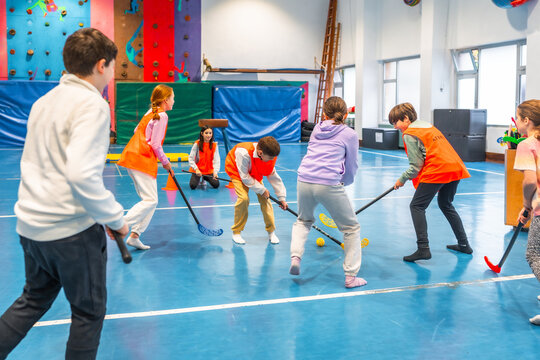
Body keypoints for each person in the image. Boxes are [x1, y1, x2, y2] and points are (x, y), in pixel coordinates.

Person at [0, 28, 128, 360]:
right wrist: (115, 217)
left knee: (33, 299)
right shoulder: (92, 105)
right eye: (113, 66)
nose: (112, 73)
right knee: (88, 313)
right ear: (102, 65)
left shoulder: (45, 102)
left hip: (30, 227)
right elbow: (82, 174)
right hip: (70, 234)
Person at [289, 96, 366, 288]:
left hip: (304, 178)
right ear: (346, 114)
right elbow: (352, 164)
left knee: (303, 221)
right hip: (328, 183)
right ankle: (350, 276)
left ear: (324, 113)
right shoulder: (349, 134)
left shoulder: (317, 128)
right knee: (350, 228)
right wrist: (344, 182)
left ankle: (296, 258)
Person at [390, 102, 472, 262]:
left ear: (405, 118)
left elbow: (415, 166)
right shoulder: (427, 126)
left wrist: (401, 180)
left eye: (395, 122)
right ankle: (464, 244)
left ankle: (423, 249)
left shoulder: (410, 133)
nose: (395, 127)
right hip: (454, 166)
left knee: (417, 206)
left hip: (438, 168)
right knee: (446, 204)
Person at [117, 84, 175, 250]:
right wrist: (166, 162)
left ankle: (135, 236)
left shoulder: (150, 113)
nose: (174, 101)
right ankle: (120, 225)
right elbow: (156, 144)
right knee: (150, 200)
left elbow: (137, 130)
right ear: (165, 100)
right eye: (172, 98)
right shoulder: (162, 116)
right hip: (141, 160)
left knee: (151, 200)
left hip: (133, 156)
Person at [224, 136, 288, 244]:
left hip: (254, 173)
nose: (272, 160)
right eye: (270, 158)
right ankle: (236, 232)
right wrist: (262, 189)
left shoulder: (269, 156)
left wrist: (281, 198)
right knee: (243, 199)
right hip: (238, 173)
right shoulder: (243, 152)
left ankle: (271, 232)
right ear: (260, 153)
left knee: (265, 200)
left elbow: (274, 178)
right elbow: (244, 177)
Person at [512, 99, 540, 325]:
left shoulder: (527, 144)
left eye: (517, 117)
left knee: (533, 254)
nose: (516, 122)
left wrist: (527, 205)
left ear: (526, 120)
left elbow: (530, 180)